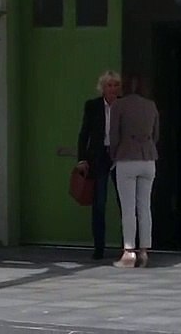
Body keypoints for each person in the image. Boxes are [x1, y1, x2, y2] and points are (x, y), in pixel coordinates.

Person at [109, 74, 160, 268]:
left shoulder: (119, 106)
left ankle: (129, 252)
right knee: (144, 207)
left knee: (128, 208)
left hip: (126, 157)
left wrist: (114, 154)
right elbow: (156, 134)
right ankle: (145, 251)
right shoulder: (151, 105)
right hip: (148, 157)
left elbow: (113, 134)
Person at [77, 70, 121, 260]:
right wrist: (82, 159)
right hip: (99, 157)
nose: (112, 89)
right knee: (99, 203)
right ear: (102, 88)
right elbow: (84, 133)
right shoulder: (93, 106)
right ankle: (99, 247)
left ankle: (129, 246)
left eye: (115, 85)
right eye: (109, 85)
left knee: (124, 202)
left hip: (119, 156)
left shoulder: (123, 105)